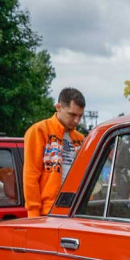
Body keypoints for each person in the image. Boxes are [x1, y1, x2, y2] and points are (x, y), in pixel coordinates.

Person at [23, 87, 86, 217]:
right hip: (48, 212)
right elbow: (30, 176)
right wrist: (33, 214)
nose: (76, 121)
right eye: (72, 115)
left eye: (80, 116)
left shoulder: (80, 139)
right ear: (58, 107)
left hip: (76, 210)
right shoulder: (39, 131)